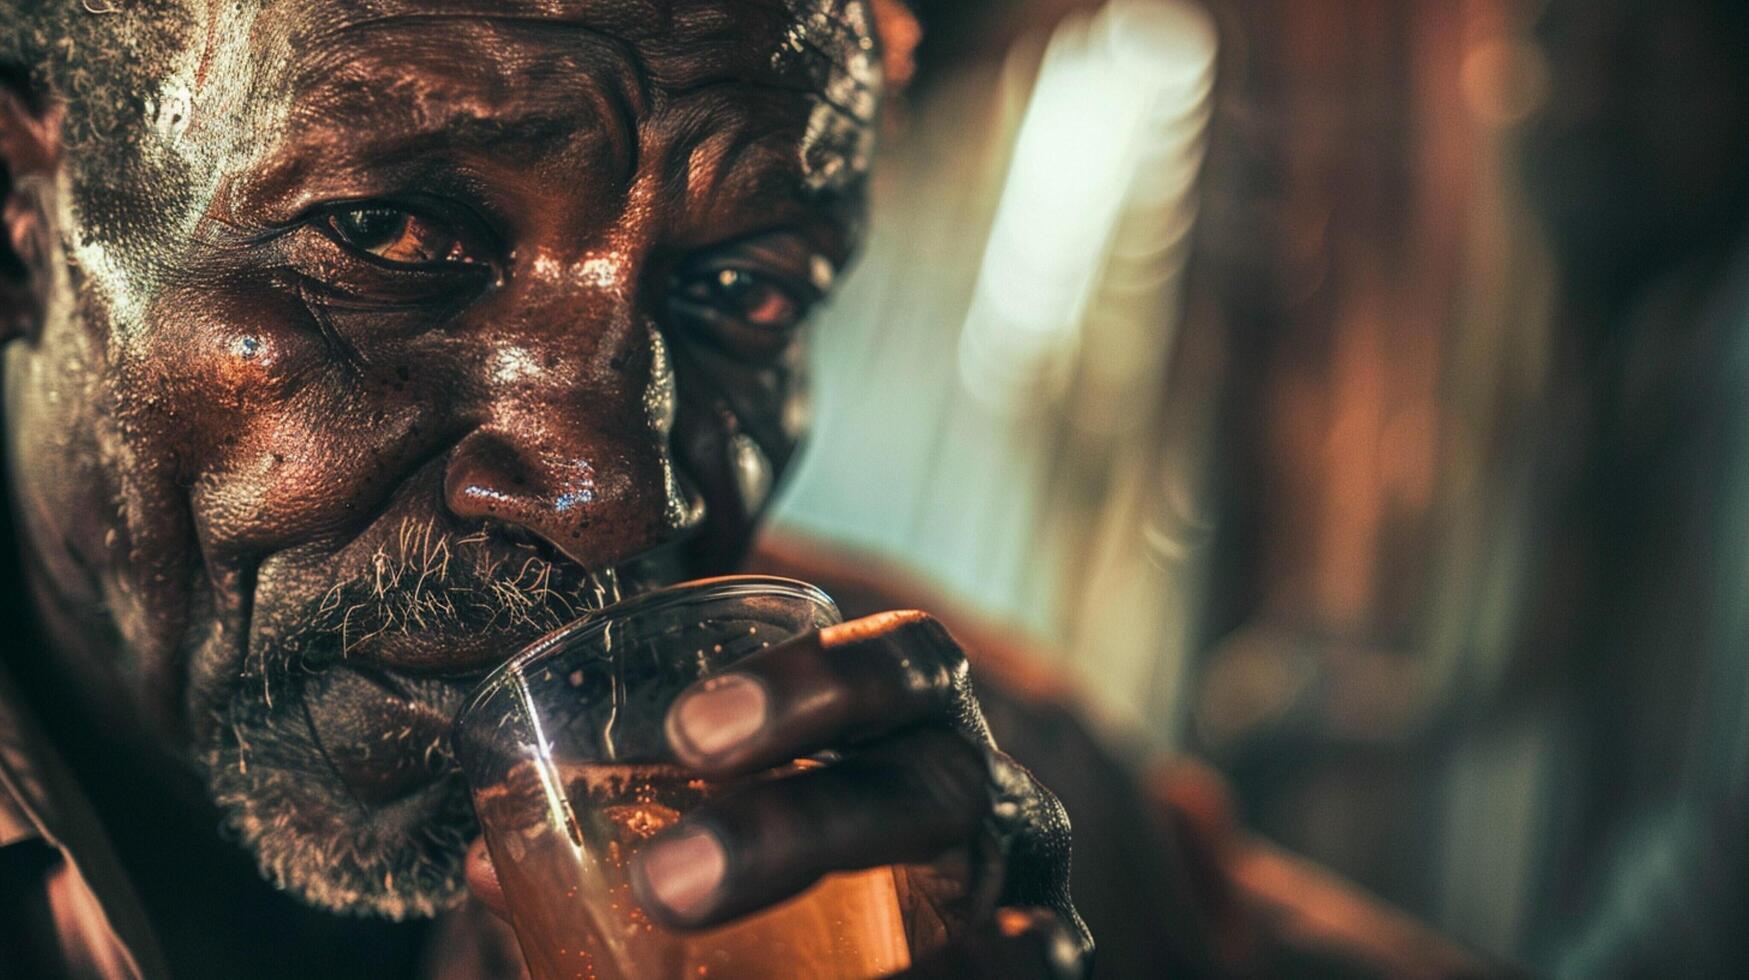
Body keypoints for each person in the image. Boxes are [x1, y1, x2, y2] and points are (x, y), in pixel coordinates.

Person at [0, 1, 1496, 977]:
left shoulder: (919, 795)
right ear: (21, 214)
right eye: (393, 237)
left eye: (739, 293)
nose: (610, 498)